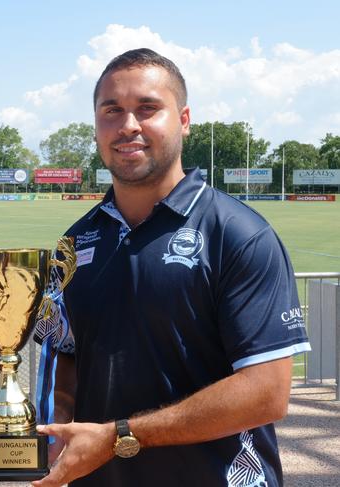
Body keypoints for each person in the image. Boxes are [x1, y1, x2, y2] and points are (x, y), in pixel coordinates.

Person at [32, 48, 311, 487]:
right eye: (112, 111)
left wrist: (118, 436)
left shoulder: (239, 234)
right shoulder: (74, 242)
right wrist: (54, 423)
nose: (128, 126)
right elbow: (64, 355)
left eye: (147, 109)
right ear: (96, 127)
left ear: (183, 120)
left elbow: (266, 393)